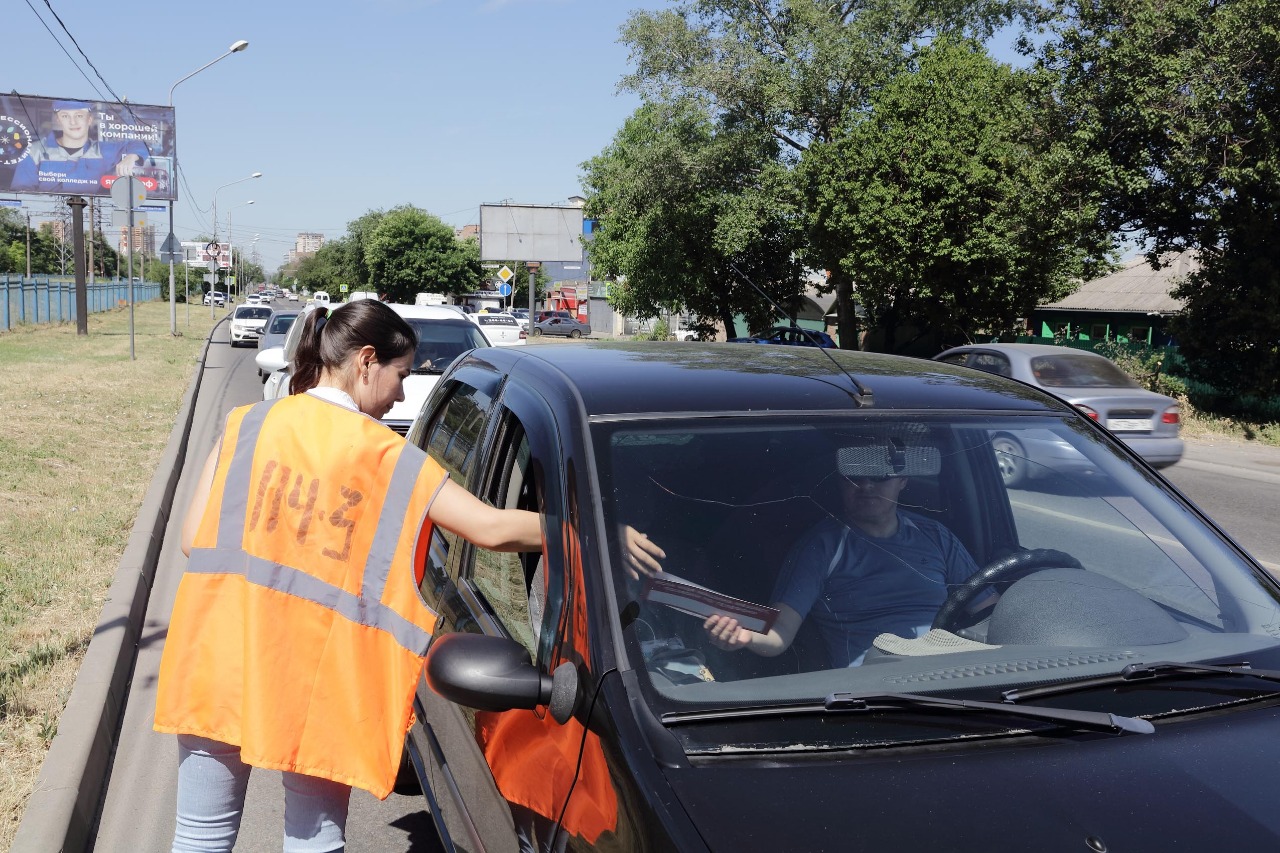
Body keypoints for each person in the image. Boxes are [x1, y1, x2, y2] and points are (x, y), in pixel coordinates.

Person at [153, 299, 544, 852]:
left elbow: (195, 540)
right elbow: (491, 527)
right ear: (366, 361)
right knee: (314, 842)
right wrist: (586, 530)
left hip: (217, 659)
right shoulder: (388, 456)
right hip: (316, 679)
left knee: (199, 836)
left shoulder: (248, 422)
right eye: (401, 374)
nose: (403, 394)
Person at [704, 424, 983, 668]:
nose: (866, 486)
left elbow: (988, 610)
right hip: (878, 688)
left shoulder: (935, 535)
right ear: (840, 482)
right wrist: (743, 637)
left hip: (951, 672)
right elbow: (780, 632)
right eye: (854, 476)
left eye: (879, 477)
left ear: (902, 481)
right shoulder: (821, 546)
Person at [11, 100, 147, 194]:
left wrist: (131, 157)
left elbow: (140, 144)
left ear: (89, 119)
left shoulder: (103, 150)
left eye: (79, 115)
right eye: (65, 116)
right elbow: (21, 189)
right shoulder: (35, 151)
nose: (73, 122)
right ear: (58, 120)